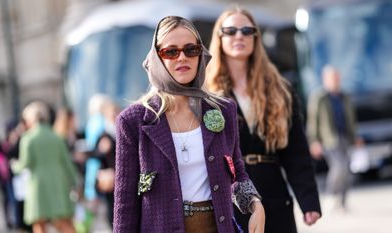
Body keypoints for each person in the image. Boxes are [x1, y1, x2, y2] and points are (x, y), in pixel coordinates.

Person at [113, 16, 265, 233]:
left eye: (191, 49)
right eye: (171, 52)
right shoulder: (132, 121)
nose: (182, 57)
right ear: (158, 57)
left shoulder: (224, 110)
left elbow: (236, 173)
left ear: (200, 54)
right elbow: (125, 203)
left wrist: (255, 204)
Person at [205, 7, 321, 233]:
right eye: (231, 30)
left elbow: (297, 151)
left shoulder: (279, 89)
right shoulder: (206, 93)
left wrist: (308, 201)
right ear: (219, 37)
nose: (239, 35)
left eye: (247, 30)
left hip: (274, 192)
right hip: (227, 197)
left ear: (255, 38)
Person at [10, 101, 79, 233]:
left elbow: (25, 164)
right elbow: (67, 162)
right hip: (59, 183)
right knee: (65, 223)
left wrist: (14, 165)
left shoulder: (28, 139)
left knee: (39, 225)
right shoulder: (56, 137)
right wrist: (75, 182)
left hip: (38, 186)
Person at [307, 65, 362, 211]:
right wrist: (314, 141)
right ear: (325, 79)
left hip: (345, 137)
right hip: (329, 140)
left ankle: (342, 203)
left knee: (347, 170)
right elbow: (313, 121)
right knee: (339, 167)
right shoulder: (319, 97)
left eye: (337, 77)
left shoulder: (345, 97)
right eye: (332, 78)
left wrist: (355, 137)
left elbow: (351, 119)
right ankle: (331, 195)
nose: (336, 80)